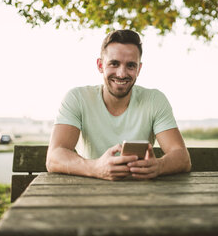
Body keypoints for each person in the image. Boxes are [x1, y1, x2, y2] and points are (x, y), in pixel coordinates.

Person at [46, 29, 191, 180]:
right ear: (100, 65)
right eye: (114, 64)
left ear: (139, 69)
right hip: (90, 192)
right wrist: (96, 168)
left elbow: (182, 157)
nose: (121, 74)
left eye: (130, 66)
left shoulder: (154, 100)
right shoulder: (77, 98)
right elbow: (54, 157)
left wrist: (158, 166)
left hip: (141, 194)